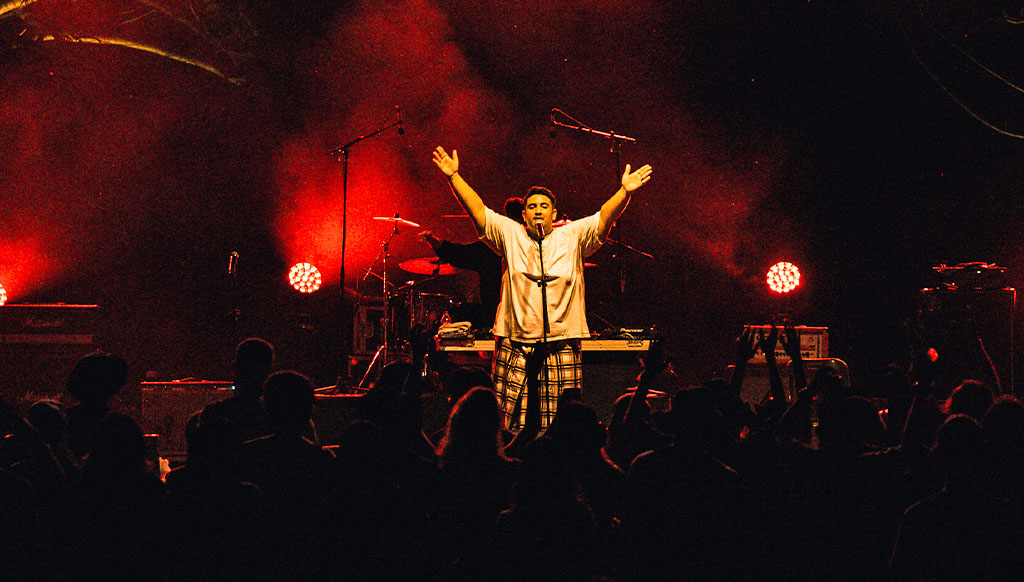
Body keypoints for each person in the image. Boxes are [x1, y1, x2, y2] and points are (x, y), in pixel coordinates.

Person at [431, 146, 652, 432]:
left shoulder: (572, 236)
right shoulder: (510, 234)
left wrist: (625, 192)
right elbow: (478, 212)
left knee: (560, 421)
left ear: (554, 213)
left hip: (561, 341)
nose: (538, 210)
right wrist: (454, 177)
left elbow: (603, 218)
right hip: (514, 341)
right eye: (532, 206)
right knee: (506, 418)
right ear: (523, 215)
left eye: (544, 206)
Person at [417, 197, 525, 332]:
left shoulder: (535, 247)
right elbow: (458, 254)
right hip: (498, 318)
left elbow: (457, 254)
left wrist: (433, 241)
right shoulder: (489, 250)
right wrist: (434, 241)